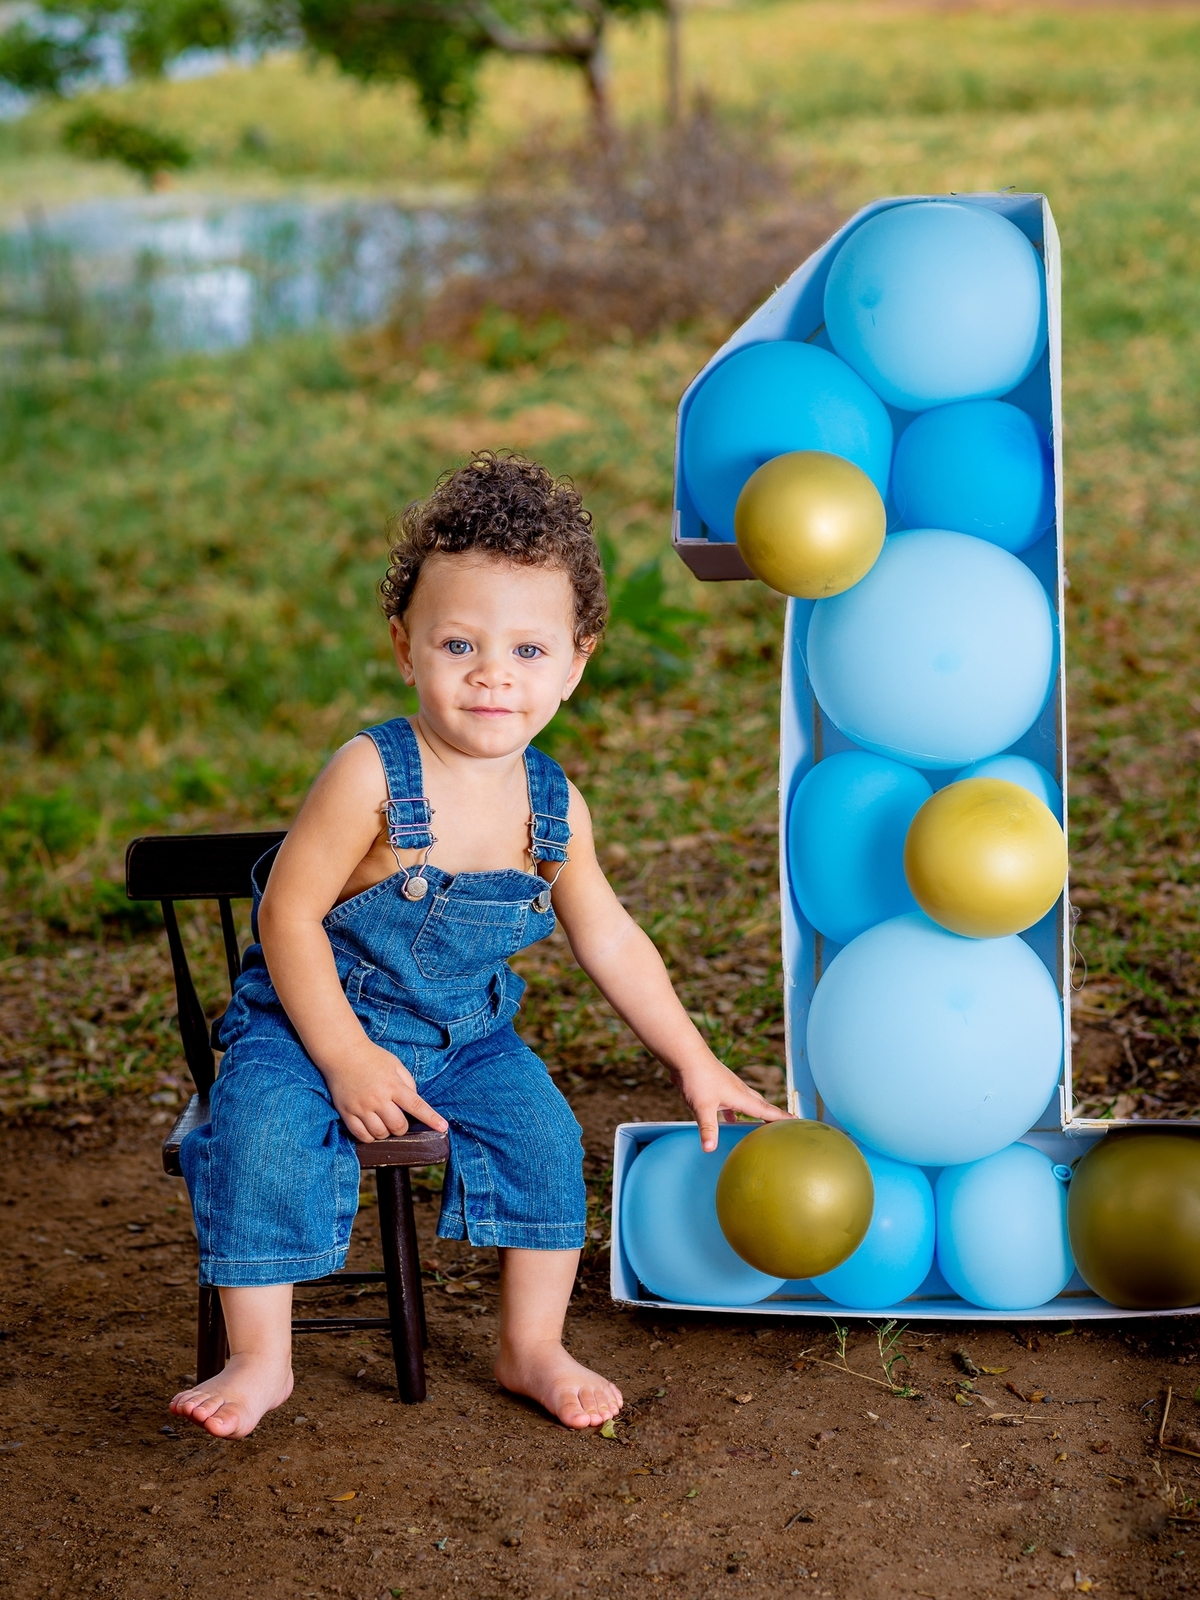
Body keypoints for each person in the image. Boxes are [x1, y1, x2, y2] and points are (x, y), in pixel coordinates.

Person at [170, 452, 787, 1440]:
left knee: (545, 1138)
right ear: (405, 646)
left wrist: (694, 1057)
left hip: (463, 1037)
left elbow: (612, 937)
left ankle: (530, 1343)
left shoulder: (556, 806)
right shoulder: (369, 771)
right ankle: (261, 1357)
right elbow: (285, 917)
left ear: (577, 661)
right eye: (459, 643)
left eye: (529, 651)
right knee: (264, 1135)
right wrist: (342, 1054)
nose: (495, 673)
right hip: (308, 1022)